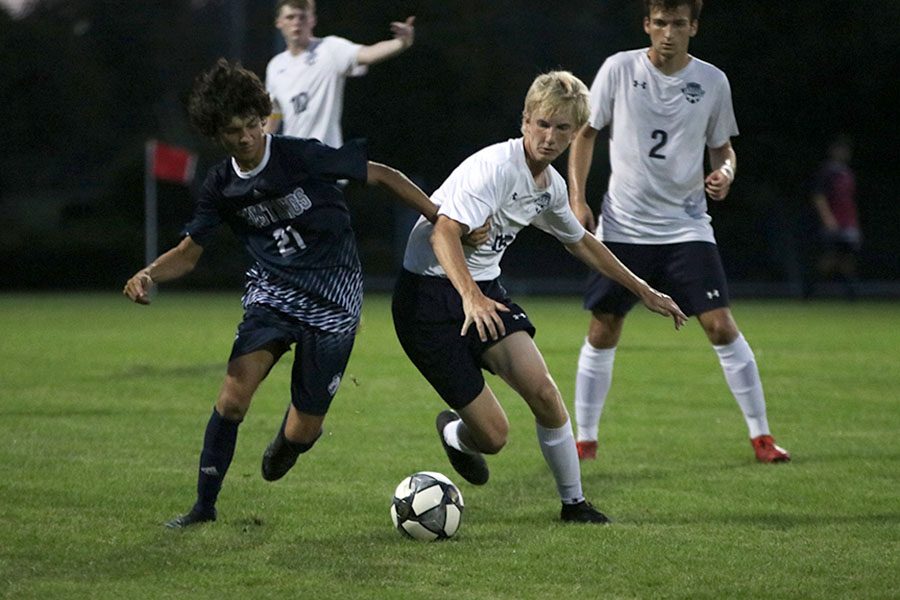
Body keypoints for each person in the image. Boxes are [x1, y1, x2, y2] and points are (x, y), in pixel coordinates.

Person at [123, 58, 445, 528]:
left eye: (253, 124)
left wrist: (439, 216)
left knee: (304, 429)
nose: (247, 136)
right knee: (233, 396)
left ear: (263, 118)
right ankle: (203, 508)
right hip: (273, 294)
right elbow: (189, 253)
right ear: (218, 132)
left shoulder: (298, 155)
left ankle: (288, 443)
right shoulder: (221, 186)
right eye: (235, 130)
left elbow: (380, 174)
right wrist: (149, 274)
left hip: (335, 299)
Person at [392, 71, 687, 524]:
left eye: (563, 128)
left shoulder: (547, 186)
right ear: (526, 120)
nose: (551, 137)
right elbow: (444, 233)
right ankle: (456, 433)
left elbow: (581, 241)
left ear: (575, 132)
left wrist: (643, 289)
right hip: (428, 301)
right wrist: (470, 297)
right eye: (543, 124)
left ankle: (574, 505)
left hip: (484, 292)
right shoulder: (494, 168)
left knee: (546, 394)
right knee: (493, 437)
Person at [567, 0, 791, 464]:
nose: (669, 32)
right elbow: (586, 133)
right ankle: (584, 440)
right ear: (647, 24)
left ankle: (762, 437)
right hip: (623, 227)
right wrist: (577, 198)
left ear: (694, 27)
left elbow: (722, 148)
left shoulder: (711, 81)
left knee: (720, 324)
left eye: (679, 24)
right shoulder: (617, 69)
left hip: (686, 227)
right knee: (604, 326)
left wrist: (725, 173)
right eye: (661, 23)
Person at [264, 0, 415, 147]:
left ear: (312, 21)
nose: (296, 22)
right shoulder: (275, 66)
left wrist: (402, 43)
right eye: (290, 17)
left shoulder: (330, 49)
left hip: (327, 156)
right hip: (294, 159)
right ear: (279, 22)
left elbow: (368, 54)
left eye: (302, 17)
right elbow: (274, 112)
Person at [809, 135, 861, 299]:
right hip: (834, 221)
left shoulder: (847, 173)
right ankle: (810, 292)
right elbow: (819, 197)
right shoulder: (827, 172)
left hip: (848, 222)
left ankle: (851, 293)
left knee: (847, 257)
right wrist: (827, 218)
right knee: (830, 256)